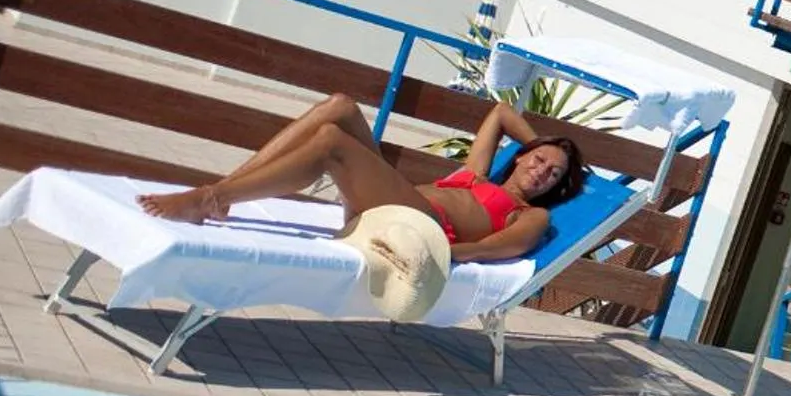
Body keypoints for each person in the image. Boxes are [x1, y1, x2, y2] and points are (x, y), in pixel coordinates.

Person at [138, 93, 587, 263]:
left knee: (333, 140)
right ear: (522, 155)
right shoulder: (475, 174)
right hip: (395, 203)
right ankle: (223, 195)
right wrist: (548, 145)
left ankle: (210, 197)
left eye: (554, 174)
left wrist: (448, 253)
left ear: (556, 188)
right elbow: (501, 112)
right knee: (340, 107)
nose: (541, 171)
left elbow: (501, 247)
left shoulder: (529, 216)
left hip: (416, 226)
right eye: (538, 160)